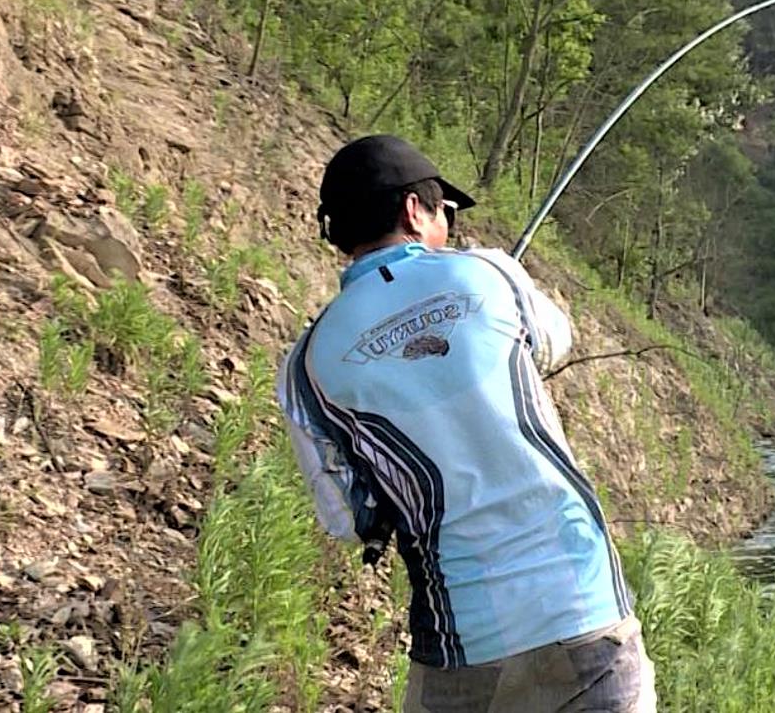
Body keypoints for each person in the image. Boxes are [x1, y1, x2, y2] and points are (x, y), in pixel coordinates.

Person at [275, 135, 656, 712]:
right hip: (582, 608)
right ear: (413, 210)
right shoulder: (490, 273)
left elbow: (349, 520)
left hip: (459, 642)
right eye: (444, 212)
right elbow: (555, 341)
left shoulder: (305, 366)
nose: (447, 225)